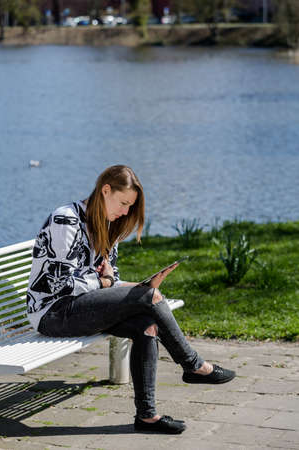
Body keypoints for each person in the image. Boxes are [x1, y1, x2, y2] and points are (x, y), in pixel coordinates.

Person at [27, 165, 236, 434]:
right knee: (148, 296)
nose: (125, 212)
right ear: (105, 190)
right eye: (123, 202)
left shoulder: (107, 226)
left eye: (130, 206)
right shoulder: (65, 220)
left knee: (147, 323)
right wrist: (113, 284)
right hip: (52, 312)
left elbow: (109, 279)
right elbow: (62, 283)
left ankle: (147, 417)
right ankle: (193, 365)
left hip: (82, 307)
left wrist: (136, 286)